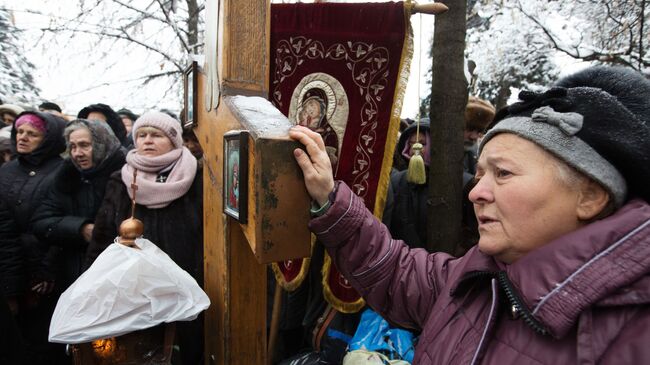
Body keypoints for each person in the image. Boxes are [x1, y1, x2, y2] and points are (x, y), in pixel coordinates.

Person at [289, 66, 650, 364]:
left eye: (503, 173)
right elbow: (396, 270)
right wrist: (328, 194)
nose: (475, 192)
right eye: (479, 175)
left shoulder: (630, 338)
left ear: (589, 195)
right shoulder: (480, 275)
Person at [85, 111, 204, 365]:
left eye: (156, 135)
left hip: (186, 284)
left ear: (174, 140)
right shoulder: (121, 179)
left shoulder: (197, 177)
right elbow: (103, 235)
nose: (147, 140)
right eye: (141, 135)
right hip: (134, 291)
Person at [0, 111, 68, 364]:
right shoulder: (6, 170)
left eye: (32, 133)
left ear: (48, 139)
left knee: (42, 342)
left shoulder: (62, 170)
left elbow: (61, 220)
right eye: (20, 132)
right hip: (9, 265)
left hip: (44, 271)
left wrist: (48, 268)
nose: (23, 138)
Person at [31, 119, 126, 292]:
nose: (77, 153)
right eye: (73, 147)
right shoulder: (66, 177)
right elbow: (41, 221)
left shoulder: (126, 176)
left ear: (102, 144)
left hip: (115, 274)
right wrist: (81, 228)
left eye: (84, 145)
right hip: (72, 272)